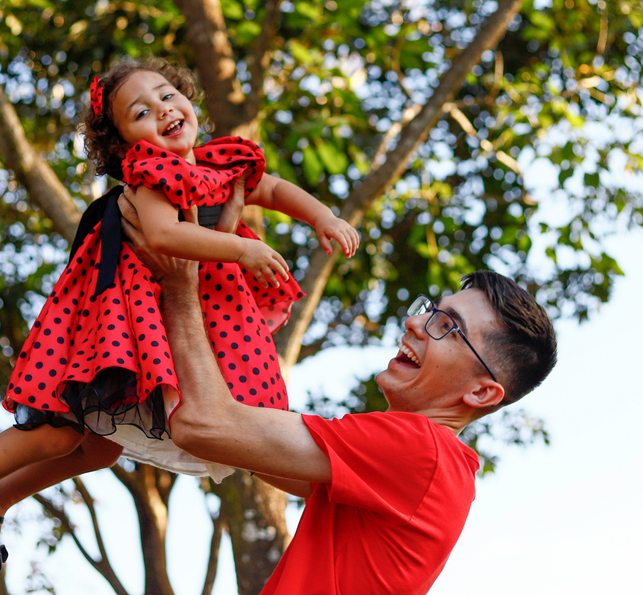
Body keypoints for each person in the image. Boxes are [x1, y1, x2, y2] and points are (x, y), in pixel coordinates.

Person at [0, 59, 359, 576]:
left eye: (168, 95)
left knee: (100, 448)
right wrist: (241, 250)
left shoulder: (218, 164)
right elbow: (165, 235)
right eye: (142, 112)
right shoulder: (152, 176)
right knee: (59, 430)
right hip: (128, 325)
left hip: (192, 325)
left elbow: (274, 188)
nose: (163, 110)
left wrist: (322, 216)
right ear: (124, 144)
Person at [119, 186, 557, 595]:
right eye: (430, 310)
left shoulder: (423, 451)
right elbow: (243, 436)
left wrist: (181, 283)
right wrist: (217, 249)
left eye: (446, 326)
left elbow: (204, 425)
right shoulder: (420, 470)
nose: (414, 323)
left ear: (482, 394)